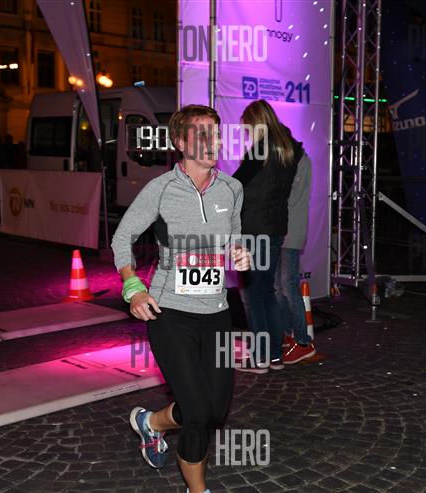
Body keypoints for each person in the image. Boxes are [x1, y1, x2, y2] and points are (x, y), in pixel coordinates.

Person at [111, 104, 250, 493]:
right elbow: (122, 238)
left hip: (217, 312)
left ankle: (151, 423)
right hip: (169, 311)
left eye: (216, 134)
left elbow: (234, 234)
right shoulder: (160, 189)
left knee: (213, 411)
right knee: (197, 413)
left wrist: (239, 250)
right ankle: (197, 489)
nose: (213, 142)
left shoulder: (232, 189)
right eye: (202, 134)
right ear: (180, 142)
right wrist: (133, 287)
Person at [233, 100, 302, 373]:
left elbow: (236, 184)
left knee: (253, 295)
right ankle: (274, 356)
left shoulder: (261, 149)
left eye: (248, 128)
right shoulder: (289, 149)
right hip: (274, 229)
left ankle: (259, 358)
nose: (247, 134)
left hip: (253, 229)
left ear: (256, 123)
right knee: (268, 293)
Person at [276, 136, 317, 363]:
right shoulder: (289, 161)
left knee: (288, 285)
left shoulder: (300, 162)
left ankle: (302, 341)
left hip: (290, 232)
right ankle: (289, 334)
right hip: (279, 231)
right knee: (278, 286)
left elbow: (290, 198)